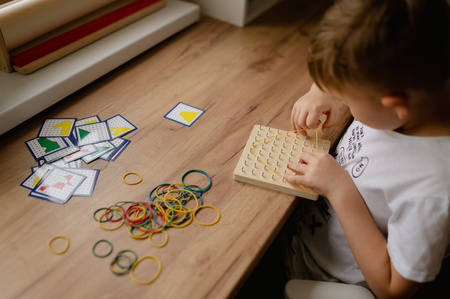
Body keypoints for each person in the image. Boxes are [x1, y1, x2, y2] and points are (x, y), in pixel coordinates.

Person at [283, 0, 450, 298]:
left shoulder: (432, 191)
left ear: (396, 106)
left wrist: (340, 189)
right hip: (306, 234)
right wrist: (320, 90)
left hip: (331, 278)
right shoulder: (425, 80)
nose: (342, 99)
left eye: (346, 96)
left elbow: (392, 287)